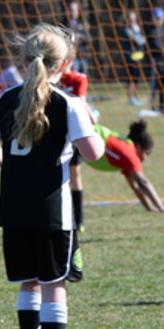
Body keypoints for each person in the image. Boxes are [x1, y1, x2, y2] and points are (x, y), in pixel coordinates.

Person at [0, 23, 104, 329]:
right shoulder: (68, 103)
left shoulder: (5, 99)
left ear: (24, 60)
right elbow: (93, 153)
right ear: (63, 64)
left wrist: (17, 168)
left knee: (29, 283)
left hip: (14, 207)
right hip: (52, 210)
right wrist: (94, 126)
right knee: (54, 285)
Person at [86, 120, 164, 214]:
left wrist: (150, 207)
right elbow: (143, 182)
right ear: (138, 147)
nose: (146, 158)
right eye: (147, 153)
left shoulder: (126, 155)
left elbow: (135, 186)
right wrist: (161, 208)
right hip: (85, 136)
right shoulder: (129, 153)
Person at [60, 42, 98, 231]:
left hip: (73, 134)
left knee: (74, 174)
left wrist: (90, 117)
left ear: (71, 59)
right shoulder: (52, 79)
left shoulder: (78, 78)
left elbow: (81, 100)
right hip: (56, 133)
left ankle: (78, 220)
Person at [147, 8, 164, 114]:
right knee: (154, 85)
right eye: (157, 18)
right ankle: (153, 106)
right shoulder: (151, 31)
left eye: (161, 18)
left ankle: (162, 106)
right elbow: (156, 45)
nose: (159, 20)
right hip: (155, 61)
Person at [119, 10, 147, 106]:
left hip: (138, 56)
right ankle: (131, 98)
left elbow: (142, 40)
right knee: (131, 79)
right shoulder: (125, 29)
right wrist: (141, 39)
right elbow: (138, 40)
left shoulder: (136, 28)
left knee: (136, 79)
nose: (133, 21)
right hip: (130, 57)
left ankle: (135, 96)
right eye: (131, 19)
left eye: (134, 19)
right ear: (127, 19)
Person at [62, 1, 90, 74]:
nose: (73, 12)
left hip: (82, 57)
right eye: (71, 10)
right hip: (70, 58)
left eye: (75, 10)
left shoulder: (83, 25)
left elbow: (88, 39)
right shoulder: (63, 25)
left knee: (82, 77)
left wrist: (80, 36)